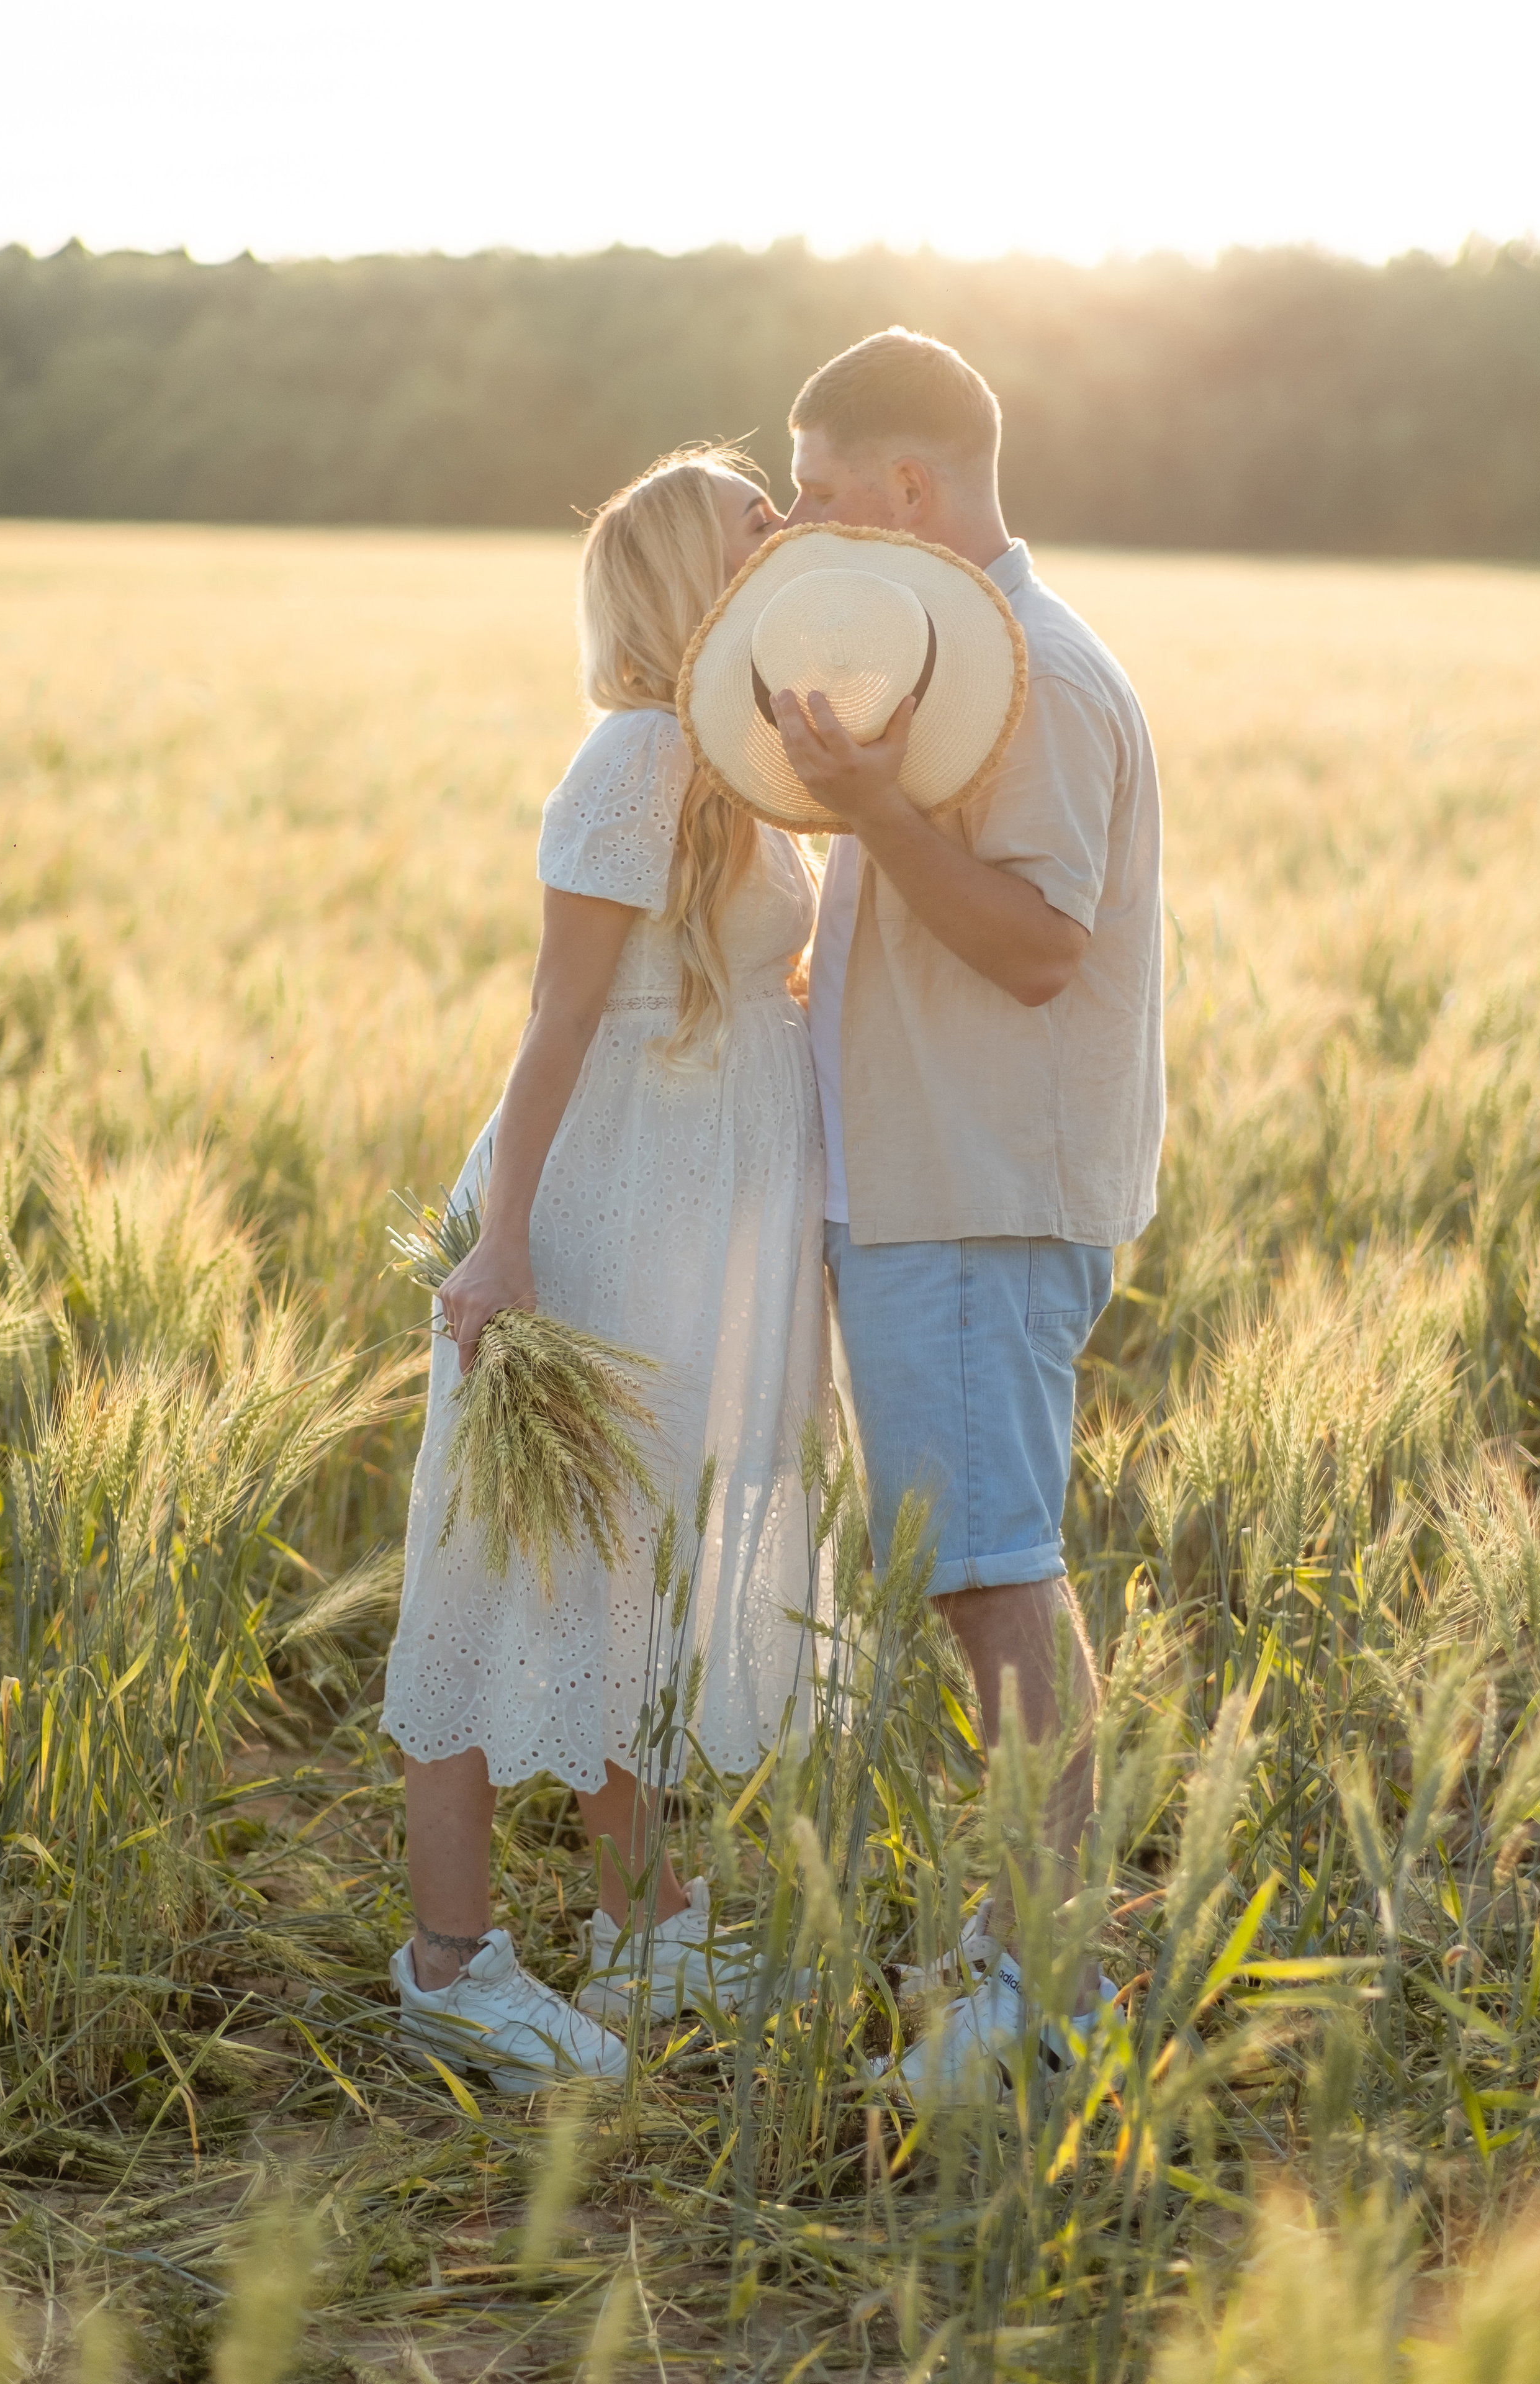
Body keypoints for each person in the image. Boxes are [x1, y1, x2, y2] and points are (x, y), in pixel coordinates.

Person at [380, 449, 829, 2089]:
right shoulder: (639, 758)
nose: (786, 531)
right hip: (596, 1207)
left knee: (625, 1562)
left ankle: (646, 1918)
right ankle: (453, 1965)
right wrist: (502, 1242)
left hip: (695, 1217)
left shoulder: (739, 749)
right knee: (514, 1565)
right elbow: (559, 1017)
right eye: (755, 519)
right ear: (670, 573)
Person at [778, 330, 1166, 2088]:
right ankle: (1028, 1945)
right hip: (933, 1185)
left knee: (998, 1580)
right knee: (978, 1573)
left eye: (823, 491)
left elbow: (1035, 946)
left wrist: (874, 809)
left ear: (910, 489)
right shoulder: (951, 662)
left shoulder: (1043, 678)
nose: (805, 524)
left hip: (985, 1196)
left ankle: (1048, 1988)